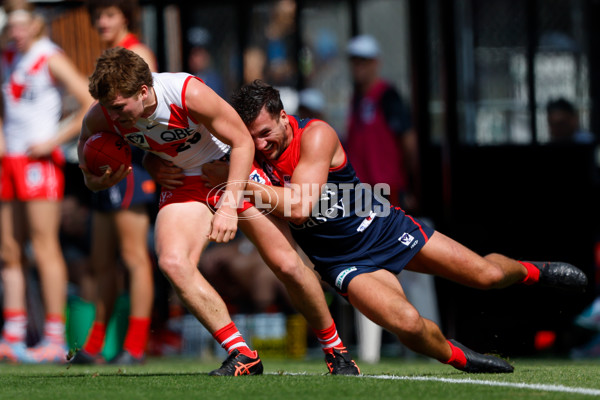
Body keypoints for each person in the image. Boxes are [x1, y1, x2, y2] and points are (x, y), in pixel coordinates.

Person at [199, 80, 589, 373]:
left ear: (284, 117)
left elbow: (300, 209)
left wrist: (238, 186)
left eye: (266, 133)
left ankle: (536, 271)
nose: (260, 144)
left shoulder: (316, 135)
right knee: (406, 323)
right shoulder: (245, 155)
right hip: (341, 261)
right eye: (252, 139)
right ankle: (457, 356)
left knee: (485, 275)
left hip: (382, 226)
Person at [76, 47, 359, 375]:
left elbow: (242, 142)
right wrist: (104, 178)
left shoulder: (187, 92)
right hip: (184, 180)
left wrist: (228, 206)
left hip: (230, 168)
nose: (114, 116)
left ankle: (335, 350)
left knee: (286, 265)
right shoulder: (101, 116)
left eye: (119, 107)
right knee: (172, 262)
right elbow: (91, 178)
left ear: (143, 91)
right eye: (108, 108)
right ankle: (242, 353)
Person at [0, 5, 94, 363]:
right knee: (9, 249)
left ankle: (55, 336)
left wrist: (53, 141)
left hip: (39, 161)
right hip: (9, 161)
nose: (15, 30)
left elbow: (87, 101)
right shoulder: (8, 55)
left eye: (21, 24)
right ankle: (13, 333)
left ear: (36, 25)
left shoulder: (49, 57)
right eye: (11, 24)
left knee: (44, 246)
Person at [67, 0, 158, 366]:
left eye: (109, 15)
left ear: (125, 17)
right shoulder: (108, 58)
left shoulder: (137, 52)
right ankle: (96, 345)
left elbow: (147, 114)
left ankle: (135, 346)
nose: (102, 22)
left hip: (135, 164)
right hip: (110, 164)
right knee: (101, 259)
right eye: (97, 17)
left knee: (135, 258)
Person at [345, 34, 418, 211]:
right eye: (355, 62)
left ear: (375, 63)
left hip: (388, 190)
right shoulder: (356, 99)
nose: (358, 67)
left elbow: (409, 142)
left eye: (363, 61)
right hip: (361, 190)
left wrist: (413, 187)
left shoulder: (387, 96)